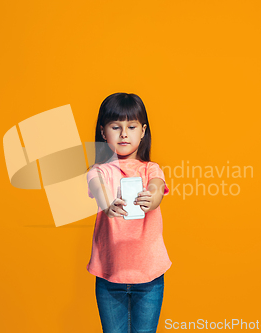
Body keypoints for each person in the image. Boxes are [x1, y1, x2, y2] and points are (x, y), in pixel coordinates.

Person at [86, 92, 171, 333]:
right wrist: (107, 204)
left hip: (150, 278)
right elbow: (97, 187)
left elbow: (156, 187)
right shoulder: (99, 171)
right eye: (116, 126)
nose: (124, 134)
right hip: (109, 276)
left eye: (131, 126)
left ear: (142, 131)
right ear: (103, 132)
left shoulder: (151, 169)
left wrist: (152, 198)